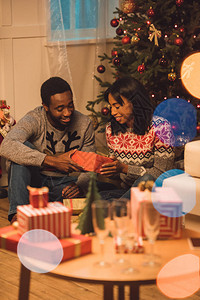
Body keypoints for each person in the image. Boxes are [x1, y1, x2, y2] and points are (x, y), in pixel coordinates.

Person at [0, 77, 95, 223]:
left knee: (107, 192)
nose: (67, 112)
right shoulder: (35, 118)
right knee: (20, 150)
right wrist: (51, 161)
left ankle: (45, 209)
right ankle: (19, 217)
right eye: (60, 108)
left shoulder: (84, 123)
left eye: (70, 105)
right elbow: (6, 145)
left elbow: (90, 165)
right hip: (35, 182)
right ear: (45, 106)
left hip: (64, 185)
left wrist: (80, 187)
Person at [99, 76, 175, 200]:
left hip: (155, 192)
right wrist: (110, 169)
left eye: (117, 106)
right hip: (128, 191)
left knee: (146, 180)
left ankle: (118, 208)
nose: (112, 112)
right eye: (111, 106)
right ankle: (121, 206)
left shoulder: (161, 127)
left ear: (134, 102)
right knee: (98, 194)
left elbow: (162, 175)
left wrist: (125, 168)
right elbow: (119, 176)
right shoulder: (111, 129)